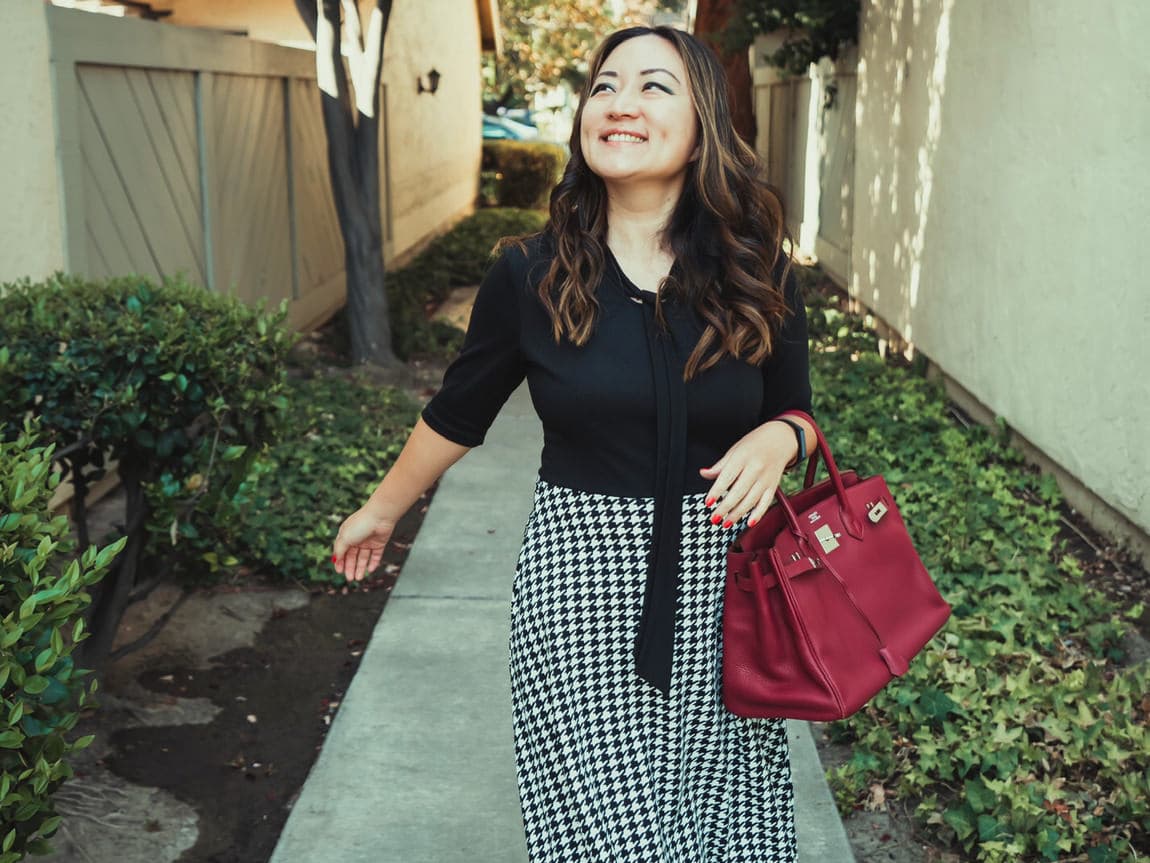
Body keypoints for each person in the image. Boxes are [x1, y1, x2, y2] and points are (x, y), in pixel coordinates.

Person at [332, 25, 814, 863]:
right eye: (604, 86)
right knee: (607, 839)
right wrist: (381, 511)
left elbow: (799, 410)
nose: (621, 103)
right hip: (578, 591)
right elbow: (458, 411)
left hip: (726, 587)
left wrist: (780, 436)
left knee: (724, 834)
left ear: (703, 120)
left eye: (654, 87)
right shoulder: (532, 272)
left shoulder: (757, 265)